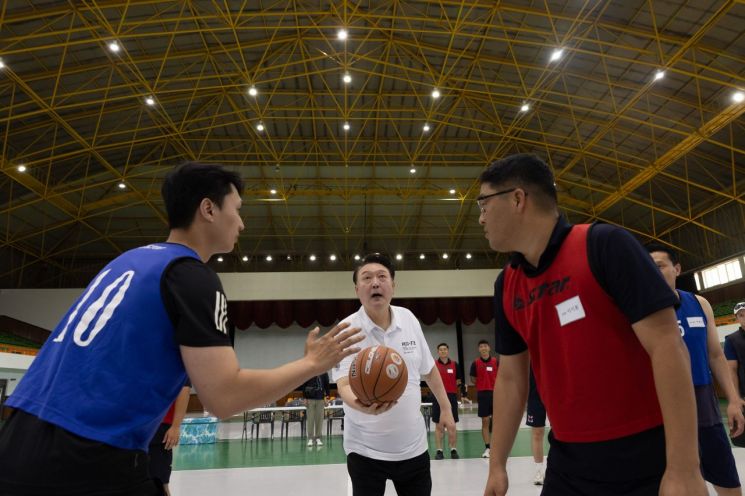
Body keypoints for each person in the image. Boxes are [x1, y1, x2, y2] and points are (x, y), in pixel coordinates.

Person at [0, 162, 363, 495]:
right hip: (87, 453)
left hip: (18, 438)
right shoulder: (190, 276)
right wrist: (312, 364)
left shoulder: (128, 260)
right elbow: (224, 397)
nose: (242, 223)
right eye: (236, 210)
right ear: (208, 209)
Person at [478, 153, 706, 496]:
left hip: (643, 456)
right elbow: (511, 378)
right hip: (569, 461)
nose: (480, 218)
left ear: (517, 198)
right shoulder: (507, 284)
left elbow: (667, 346)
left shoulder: (605, 246)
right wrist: (497, 464)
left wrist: (684, 467)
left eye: (483, 204)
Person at [331, 253, 456, 496]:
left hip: (413, 448)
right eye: (367, 278)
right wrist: (362, 405)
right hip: (365, 451)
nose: (375, 283)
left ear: (393, 286)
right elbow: (344, 384)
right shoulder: (345, 330)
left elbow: (429, 369)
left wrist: (447, 408)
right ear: (357, 289)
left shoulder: (408, 318)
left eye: (382, 277)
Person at [648, 244, 744, 495]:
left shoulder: (699, 304)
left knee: (729, 484)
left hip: (704, 406)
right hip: (660, 409)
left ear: (677, 268)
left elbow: (715, 355)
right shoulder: (639, 310)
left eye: (659, 266)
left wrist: (734, 399)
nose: (652, 272)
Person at [149, 382, 191, 496]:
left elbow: (184, 388)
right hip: (136, 425)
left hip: (159, 427)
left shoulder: (177, 364)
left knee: (160, 483)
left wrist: (176, 426)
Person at [469, 339, 498, 458]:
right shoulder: (475, 363)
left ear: (489, 348)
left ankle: (498, 448)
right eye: (481, 346)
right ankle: (488, 448)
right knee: (485, 421)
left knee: (497, 422)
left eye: (485, 346)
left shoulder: (496, 361)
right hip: (483, 394)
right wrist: (483, 383)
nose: (484, 348)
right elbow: (473, 379)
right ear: (479, 349)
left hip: (496, 394)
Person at [433, 342, 461, 460]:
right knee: (439, 425)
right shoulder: (433, 365)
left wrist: (451, 389)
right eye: (441, 349)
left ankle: (453, 449)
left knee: (452, 425)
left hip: (451, 397)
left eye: (445, 349)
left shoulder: (455, 364)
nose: (443, 351)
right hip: (437, 397)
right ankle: (439, 451)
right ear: (438, 352)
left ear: (448, 351)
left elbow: (458, 381)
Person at [526, 368, 546, 486]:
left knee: (559, 432)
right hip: (535, 396)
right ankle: (539, 471)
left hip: (556, 393)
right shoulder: (529, 354)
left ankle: (562, 468)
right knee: (537, 433)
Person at [302, 372, 330, 447]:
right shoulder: (309, 371)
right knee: (310, 419)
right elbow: (304, 384)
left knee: (319, 419)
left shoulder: (324, 372)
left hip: (320, 399)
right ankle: (310, 438)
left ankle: (318, 438)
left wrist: (327, 397)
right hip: (310, 399)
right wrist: (304, 397)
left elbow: (327, 385)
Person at [725, 302, 745, 400]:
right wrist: (736, 397)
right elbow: (732, 370)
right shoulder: (731, 340)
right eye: (741, 315)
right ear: (737, 319)